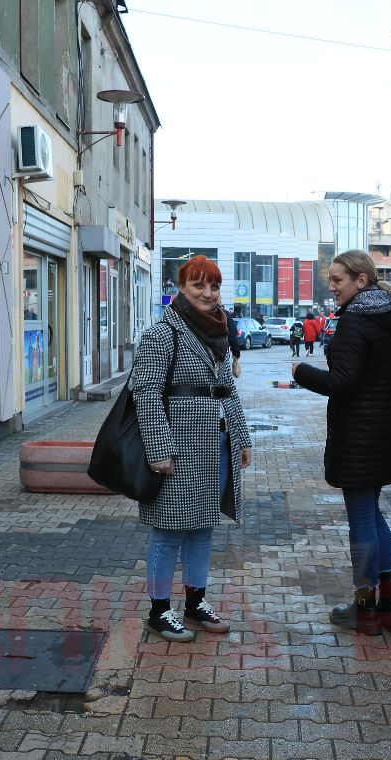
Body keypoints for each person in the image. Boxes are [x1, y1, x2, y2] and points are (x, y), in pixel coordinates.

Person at [132, 256, 253, 641]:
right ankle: (159, 610)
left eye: (214, 286)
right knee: (169, 532)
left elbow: (227, 389)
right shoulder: (161, 334)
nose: (208, 293)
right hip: (177, 448)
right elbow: (146, 394)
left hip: (215, 445)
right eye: (199, 285)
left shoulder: (217, 331)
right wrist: (159, 448)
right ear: (181, 287)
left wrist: (241, 437)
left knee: (202, 528)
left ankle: (195, 603)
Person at [292, 250, 391, 635]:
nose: (331, 286)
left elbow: (342, 383)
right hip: (388, 432)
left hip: (360, 437)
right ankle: (390, 603)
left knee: (361, 517)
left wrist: (302, 372)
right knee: (373, 513)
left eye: (337, 279)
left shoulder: (355, 321)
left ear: (361, 280)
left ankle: (365, 608)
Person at [225, 307, 242, 379]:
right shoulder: (224, 314)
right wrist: (236, 355)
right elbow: (232, 337)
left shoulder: (196, 311)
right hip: (219, 354)